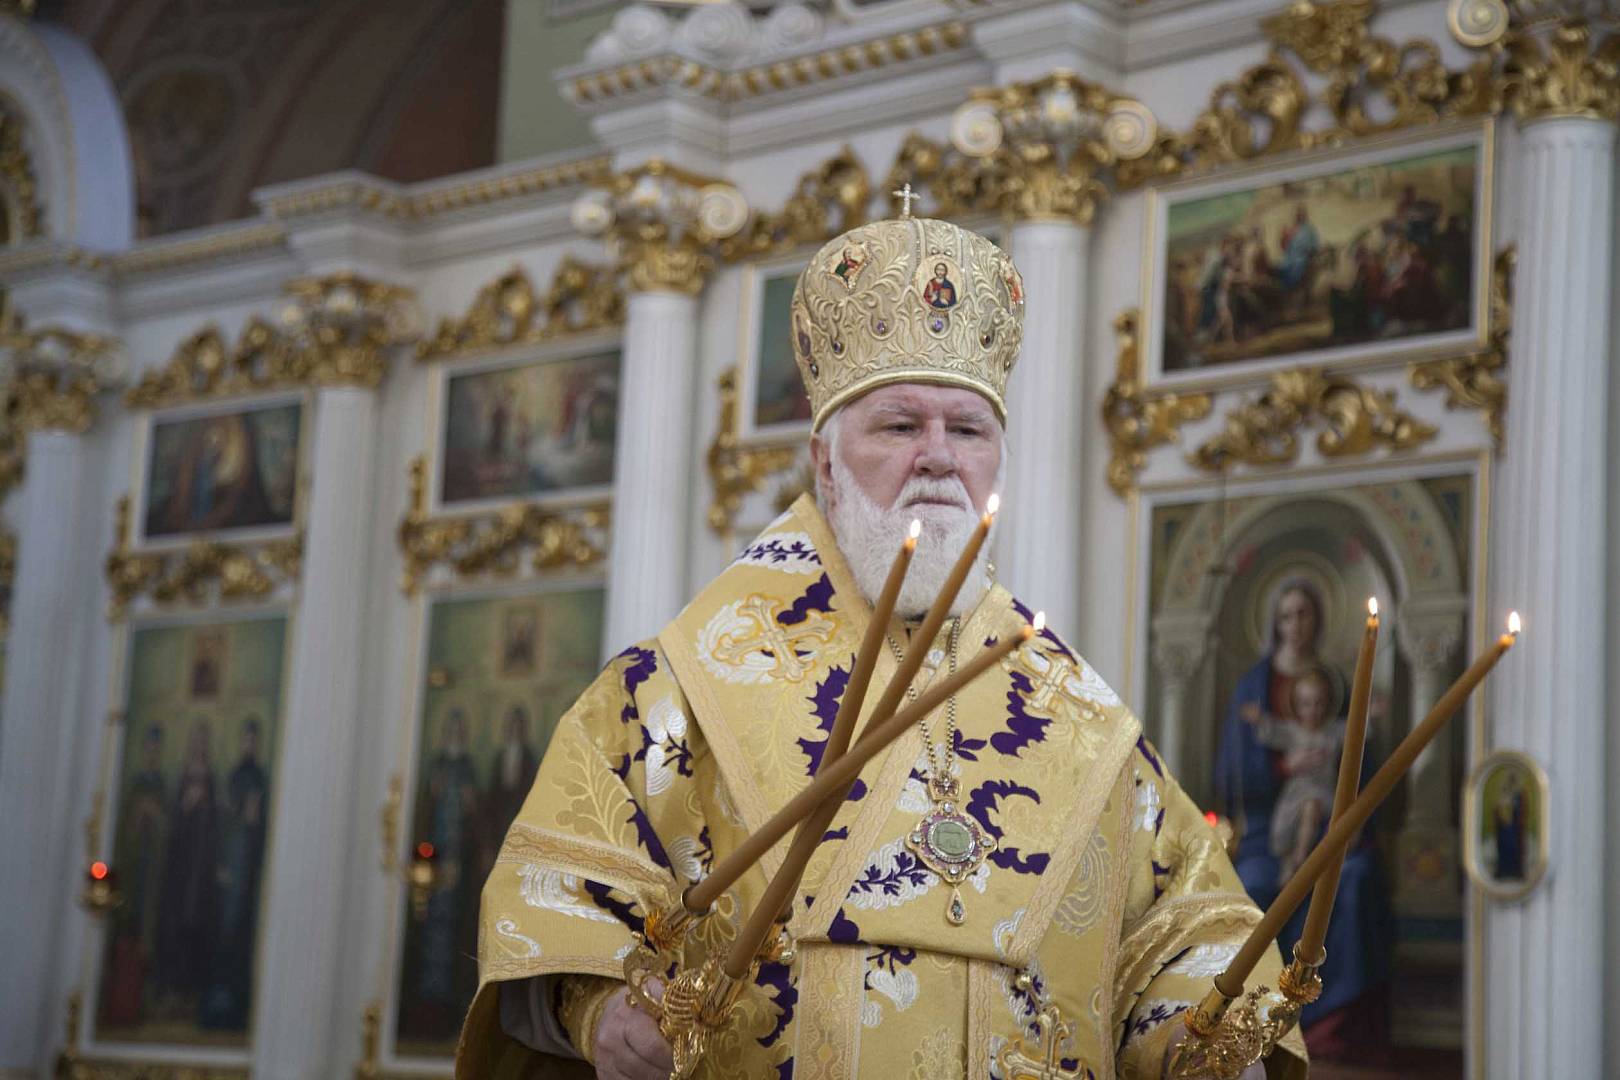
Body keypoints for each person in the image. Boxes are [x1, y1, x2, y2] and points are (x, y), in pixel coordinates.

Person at [458, 212, 1305, 1079]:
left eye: (968, 430)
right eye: (900, 426)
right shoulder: (675, 687)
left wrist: (1207, 1037)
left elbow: (1185, 928)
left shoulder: (1080, 714)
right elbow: (553, 903)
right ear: (825, 463)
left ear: (996, 463)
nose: (938, 457)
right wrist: (602, 1010)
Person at [1215, 580, 1392, 1061]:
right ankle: (1255, 1018)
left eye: (1304, 614)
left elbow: (1361, 759)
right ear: (1275, 623)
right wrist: (1283, 768)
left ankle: (1333, 1025)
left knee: (1355, 881)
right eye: (1287, 615)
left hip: (1335, 828)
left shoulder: (1336, 683)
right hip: (1266, 829)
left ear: (1318, 620)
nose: (1295, 625)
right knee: (1255, 886)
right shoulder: (1254, 687)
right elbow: (1234, 770)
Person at [1242, 667, 1345, 886]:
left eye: (1319, 703)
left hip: (1322, 791)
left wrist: (1371, 715)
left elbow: (1355, 730)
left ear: (1328, 704)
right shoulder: (1292, 731)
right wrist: (1259, 719)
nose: (1313, 710)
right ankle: (1288, 865)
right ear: (1296, 705)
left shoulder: (1332, 732)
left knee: (1311, 806)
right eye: (1306, 704)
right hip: (1296, 791)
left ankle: (1301, 856)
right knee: (1284, 826)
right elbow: (1273, 732)